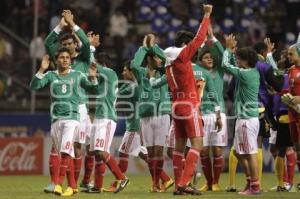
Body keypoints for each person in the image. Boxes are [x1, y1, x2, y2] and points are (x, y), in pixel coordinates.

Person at [30, 48, 99, 196]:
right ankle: (73, 186)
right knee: (65, 154)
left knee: (66, 151)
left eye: (68, 57)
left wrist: (93, 77)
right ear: (56, 60)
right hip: (55, 120)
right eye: (62, 57)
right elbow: (34, 86)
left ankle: (59, 185)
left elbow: (94, 89)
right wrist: (41, 69)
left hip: (72, 118)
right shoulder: (50, 75)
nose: (65, 59)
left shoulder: (77, 75)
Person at [163, 4, 213, 195]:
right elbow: (200, 38)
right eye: (190, 43)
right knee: (197, 145)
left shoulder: (169, 63)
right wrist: (207, 15)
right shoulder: (183, 57)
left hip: (176, 105)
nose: (195, 47)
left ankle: (178, 185)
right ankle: (184, 183)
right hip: (189, 105)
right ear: (185, 43)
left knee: (179, 146)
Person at [44, 10, 92, 192]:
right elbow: (48, 42)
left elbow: (86, 42)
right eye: (64, 44)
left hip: (79, 109)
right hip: (61, 108)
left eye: (70, 44)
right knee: (59, 148)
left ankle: (73, 184)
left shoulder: (84, 60)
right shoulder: (59, 62)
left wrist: (72, 24)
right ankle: (56, 182)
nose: (67, 47)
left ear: (75, 45)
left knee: (76, 148)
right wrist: (59, 27)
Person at [222, 34, 261, 195]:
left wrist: (227, 49)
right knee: (239, 152)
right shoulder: (250, 71)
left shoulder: (246, 74)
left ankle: (255, 186)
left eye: (239, 58)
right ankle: (249, 182)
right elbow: (232, 65)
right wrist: (231, 52)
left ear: (246, 60)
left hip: (247, 119)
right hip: (243, 118)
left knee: (250, 153)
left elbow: (225, 65)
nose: (236, 61)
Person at [197, 25, 227, 192]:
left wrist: (213, 38)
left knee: (216, 150)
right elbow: (195, 55)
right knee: (203, 151)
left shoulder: (219, 71)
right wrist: (202, 42)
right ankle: (208, 183)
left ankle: (215, 182)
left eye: (211, 58)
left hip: (218, 113)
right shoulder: (199, 71)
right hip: (202, 113)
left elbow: (223, 55)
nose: (209, 59)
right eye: (206, 57)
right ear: (201, 61)